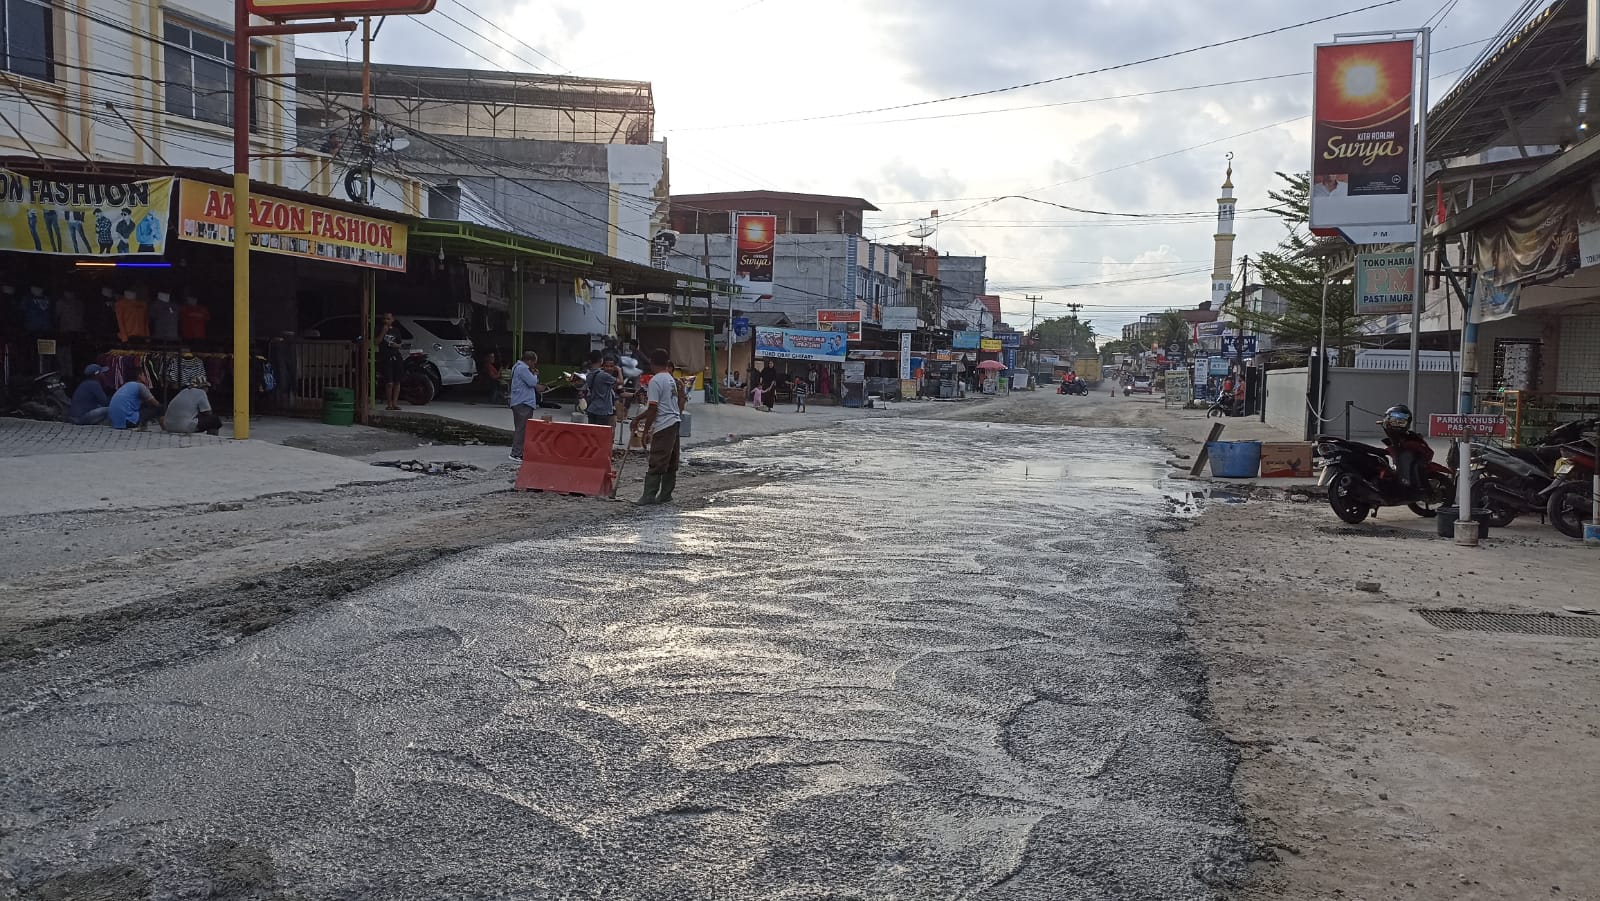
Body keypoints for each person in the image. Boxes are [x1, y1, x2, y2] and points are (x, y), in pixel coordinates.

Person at [635, 348, 685, 505]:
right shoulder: (671, 379)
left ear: (651, 362)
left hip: (664, 424)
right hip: (674, 421)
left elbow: (653, 408)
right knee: (671, 460)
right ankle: (665, 494)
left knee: (657, 459)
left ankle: (649, 495)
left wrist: (645, 431)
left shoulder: (656, 381)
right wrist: (638, 418)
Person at [508, 350, 540, 461]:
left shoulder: (516, 367)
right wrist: (535, 375)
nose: (534, 365)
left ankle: (519, 451)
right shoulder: (523, 369)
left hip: (518, 401)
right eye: (533, 362)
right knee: (522, 429)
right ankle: (516, 453)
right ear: (529, 361)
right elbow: (532, 383)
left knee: (520, 428)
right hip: (523, 402)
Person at [376, 312, 404, 411]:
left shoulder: (396, 330)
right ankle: (389, 404)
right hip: (385, 357)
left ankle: (395, 403)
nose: (386, 321)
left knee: (397, 381)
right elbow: (377, 342)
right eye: (384, 319)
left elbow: (400, 343)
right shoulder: (379, 329)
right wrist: (383, 332)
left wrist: (396, 345)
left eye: (388, 319)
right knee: (389, 382)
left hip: (396, 356)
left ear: (392, 320)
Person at [583, 352, 619, 427]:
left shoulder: (589, 374)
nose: (609, 368)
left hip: (592, 408)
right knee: (600, 434)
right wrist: (619, 370)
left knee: (592, 433)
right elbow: (620, 382)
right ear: (601, 360)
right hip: (602, 411)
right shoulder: (603, 375)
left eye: (611, 366)